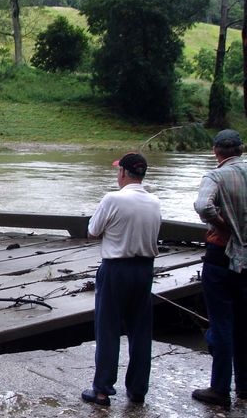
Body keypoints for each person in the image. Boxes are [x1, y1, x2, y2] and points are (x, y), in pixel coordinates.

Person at [81, 152, 161, 407]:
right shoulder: (155, 201)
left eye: (119, 171)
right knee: (140, 331)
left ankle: (102, 389)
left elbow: (93, 231)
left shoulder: (112, 199)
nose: (118, 175)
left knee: (108, 329)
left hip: (116, 268)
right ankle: (138, 390)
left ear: (125, 173)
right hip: (145, 269)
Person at [191, 129, 247, 408]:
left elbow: (203, 205)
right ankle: (245, 385)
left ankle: (220, 389)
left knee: (222, 323)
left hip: (221, 255)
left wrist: (223, 224)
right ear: (241, 148)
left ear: (216, 151)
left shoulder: (215, 176)